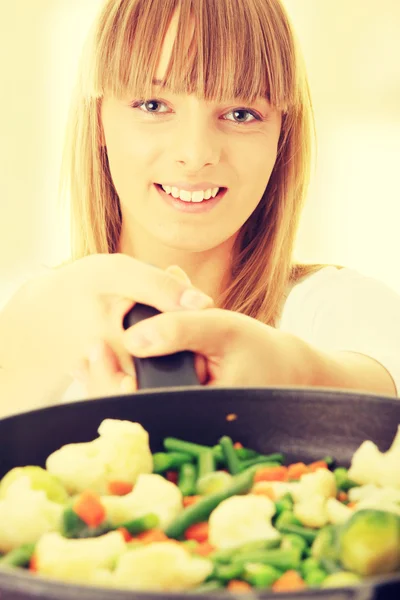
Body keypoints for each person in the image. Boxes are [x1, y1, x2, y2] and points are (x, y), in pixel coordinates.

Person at [1, 0, 399, 415]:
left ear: (282, 137)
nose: (195, 154)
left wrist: (291, 373)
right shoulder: (35, 315)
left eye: (241, 114)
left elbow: (381, 381)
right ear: (99, 118)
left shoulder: (341, 309)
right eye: (153, 106)